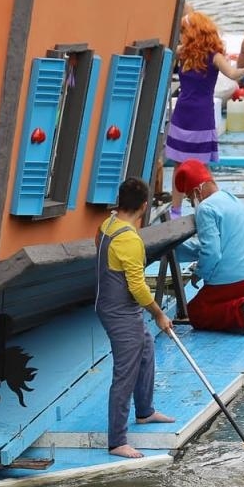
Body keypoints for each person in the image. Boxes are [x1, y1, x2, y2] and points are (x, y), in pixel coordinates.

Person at [95, 177, 175, 459]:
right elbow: (137, 286)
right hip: (120, 313)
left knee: (146, 350)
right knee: (125, 373)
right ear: (144, 206)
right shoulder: (129, 239)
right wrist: (159, 314)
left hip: (113, 306)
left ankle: (145, 411)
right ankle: (117, 441)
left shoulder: (107, 226)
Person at [172, 160, 244, 335]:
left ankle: (242, 312)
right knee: (223, 300)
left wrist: (199, 273)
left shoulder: (205, 208)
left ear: (198, 191)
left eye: (190, 198)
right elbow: (215, 245)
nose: (192, 204)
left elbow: (212, 252)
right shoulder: (231, 198)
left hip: (235, 279)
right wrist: (174, 251)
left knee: (197, 311)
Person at [166, 10, 244, 164]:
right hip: (182, 113)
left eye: (183, 32)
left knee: (200, 165)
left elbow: (232, 73)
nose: (181, 36)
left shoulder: (215, 56)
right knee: (179, 164)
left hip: (202, 114)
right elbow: (165, 53)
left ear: (194, 33)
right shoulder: (183, 52)